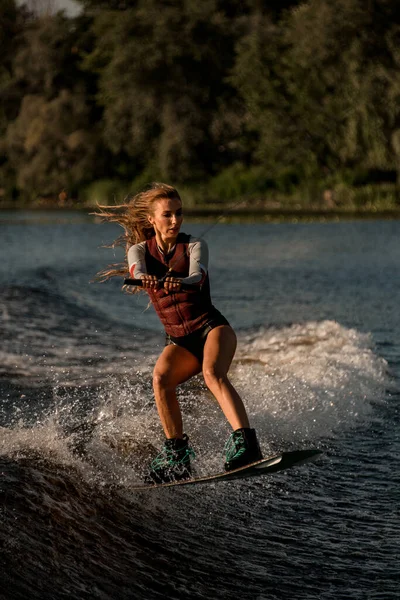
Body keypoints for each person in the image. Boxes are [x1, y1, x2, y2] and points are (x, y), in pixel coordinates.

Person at [97, 182, 262, 483]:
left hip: (212, 329)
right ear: (152, 220)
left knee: (213, 373)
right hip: (180, 342)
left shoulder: (195, 246)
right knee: (161, 378)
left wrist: (181, 280)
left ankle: (247, 444)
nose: (175, 221)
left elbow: (197, 274)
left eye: (179, 213)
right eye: (167, 215)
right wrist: (148, 278)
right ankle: (177, 455)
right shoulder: (139, 251)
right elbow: (135, 271)